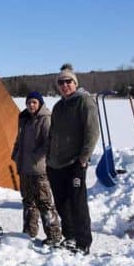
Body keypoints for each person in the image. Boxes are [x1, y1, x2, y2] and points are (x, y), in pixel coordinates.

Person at [46, 64, 99, 255]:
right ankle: (70, 236)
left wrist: (83, 160)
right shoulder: (59, 106)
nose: (65, 85)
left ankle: (83, 241)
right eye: (61, 82)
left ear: (75, 83)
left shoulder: (84, 102)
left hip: (74, 163)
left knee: (77, 203)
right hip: (55, 163)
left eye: (68, 81)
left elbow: (92, 133)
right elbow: (52, 133)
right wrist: (48, 156)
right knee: (62, 203)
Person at [12, 91, 63, 245]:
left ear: (40, 103)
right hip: (25, 168)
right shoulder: (26, 119)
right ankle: (29, 232)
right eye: (29, 103)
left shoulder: (45, 119)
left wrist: (36, 156)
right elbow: (19, 140)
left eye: (34, 102)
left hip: (39, 170)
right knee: (28, 203)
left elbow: (49, 142)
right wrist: (16, 154)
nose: (31, 105)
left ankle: (54, 235)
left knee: (44, 203)